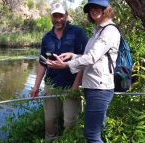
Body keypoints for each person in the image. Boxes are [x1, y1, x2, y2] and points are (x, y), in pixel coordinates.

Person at [46, 0, 120, 142]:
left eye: (97, 7)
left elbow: (91, 58)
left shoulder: (109, 31)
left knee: (91, 134)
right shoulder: (99, 30)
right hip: (93, 86)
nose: (93, 10)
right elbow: (92, 56)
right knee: (98, 130)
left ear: (106, 9)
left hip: (100, 88)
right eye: (91, 8)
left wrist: (67, 65)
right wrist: (72, 56)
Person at [30, 1, 88, 142]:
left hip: (71, 85)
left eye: (61, 16)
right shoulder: (47, 37)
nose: (58, 19)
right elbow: (43, 64)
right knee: (50, 121)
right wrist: (36, 86)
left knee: (70, 122)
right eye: (55, 16)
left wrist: (75, 86)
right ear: (51, 16)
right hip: (51, 84)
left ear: (66, 15)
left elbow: (84, 61)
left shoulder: (77, 32)